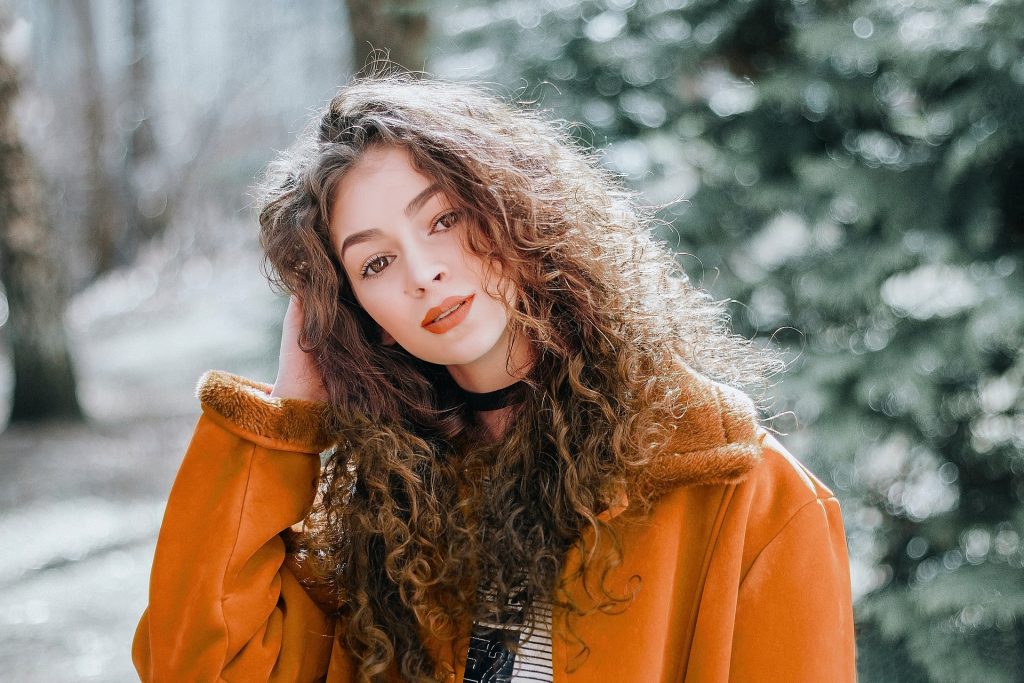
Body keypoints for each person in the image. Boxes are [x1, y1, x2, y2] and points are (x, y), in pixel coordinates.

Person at [132, 72, 856, 682]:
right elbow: (195, 664)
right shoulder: (379, 521)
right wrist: (284, 427)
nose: (423, 272)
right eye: (375, 263)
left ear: (517, 211)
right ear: (364, 317)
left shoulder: (740, 491)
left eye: (441, 219)